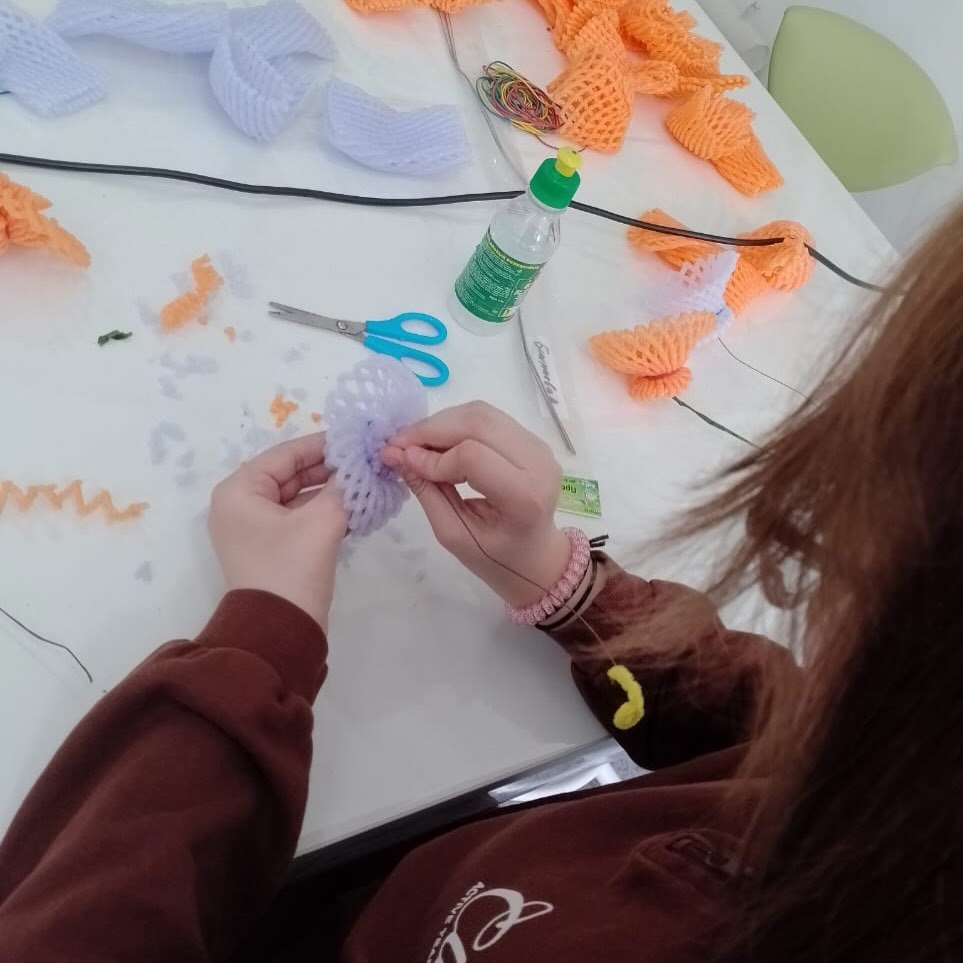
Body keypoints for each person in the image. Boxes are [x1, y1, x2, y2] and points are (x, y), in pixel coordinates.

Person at [0, 206, 960, 963]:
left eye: (826, 554)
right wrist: (567, 585)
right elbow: (767, 726)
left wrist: (259, 639)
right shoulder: (891, 782)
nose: (797, 592)